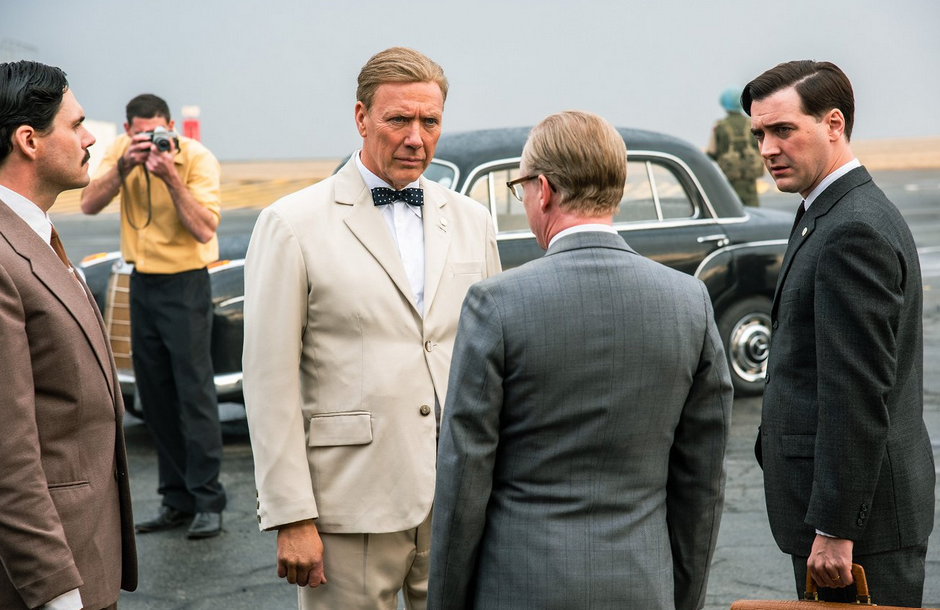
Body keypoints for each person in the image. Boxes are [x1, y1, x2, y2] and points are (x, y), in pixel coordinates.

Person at [428, 111, 733, 610]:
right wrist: (683, 598)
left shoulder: (496, 304)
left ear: (543, 190)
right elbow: (702, 482)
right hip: (642, 585)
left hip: (521, 586)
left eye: (521, 188)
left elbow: (464, 478)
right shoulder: (689, 302)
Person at [242, 47, 501, 610]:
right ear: (361, 118)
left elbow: (492, 359)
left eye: (429, 121)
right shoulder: (291, 223)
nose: (416, 138)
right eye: (398, 119)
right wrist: (291, 514)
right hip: (349, 502)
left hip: (458, 498)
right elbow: (268, 381)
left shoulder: (472, 220)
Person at [746, 60, 934, 607]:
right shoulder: (830, 211)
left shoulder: (852, 227)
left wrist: (834, 527)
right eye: (759, 134)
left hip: (860, 531)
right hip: (857, 517)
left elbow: (856, 392)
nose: (767, 149)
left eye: (783, 130)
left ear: (834, 124)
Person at [0, 60, 137, 610]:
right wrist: (56, 590)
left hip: (86, 557)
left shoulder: (33, 234)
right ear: (29, 140)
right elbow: (9, 452)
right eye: (76, 124)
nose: (90, 138)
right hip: (47, 579)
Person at [81, 93, 226, 539]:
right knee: (155, 397)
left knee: (194, 395)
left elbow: (204, 228)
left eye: (158, 132)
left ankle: (208, 501)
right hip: (141, 284)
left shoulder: (196, 159)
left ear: (171, 127)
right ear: (129, 131)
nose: (151, 140)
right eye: (142, 134)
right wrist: (126, 166)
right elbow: (88, 204)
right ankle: (176, 500)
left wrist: (170, 178)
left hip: (186, 284)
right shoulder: (122, 152)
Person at [707, 86, 764, 206]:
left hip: (729, 184)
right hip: (749, 185)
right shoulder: (751, 124)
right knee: (753, 213)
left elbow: (711, 153)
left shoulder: (720, 126)